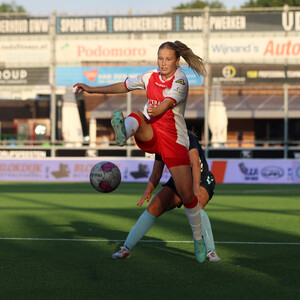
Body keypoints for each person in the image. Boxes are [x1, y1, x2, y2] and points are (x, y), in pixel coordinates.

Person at [74, 40, 207, 263]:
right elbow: (123, 85)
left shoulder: (181, 80)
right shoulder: (149, 77)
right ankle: (122, 133)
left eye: (168, 59)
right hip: (152, 132)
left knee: (187, 196)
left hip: (174, 140)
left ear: (176, 61)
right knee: (137, 114)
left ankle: (198, 239)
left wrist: (158, 108)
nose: (163, 63)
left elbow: (167, 103)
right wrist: (92, 89)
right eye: (160, 58)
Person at [111, 131, 221, 262]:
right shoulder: (161, 142)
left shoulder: (187, 137)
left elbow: (195, 163)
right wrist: (148, 190)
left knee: (197, 204)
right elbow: (156, 173)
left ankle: (211, 251)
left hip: (201, 178)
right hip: (178, 181)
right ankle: (126, 248)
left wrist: (196, 187)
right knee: (152, 208)